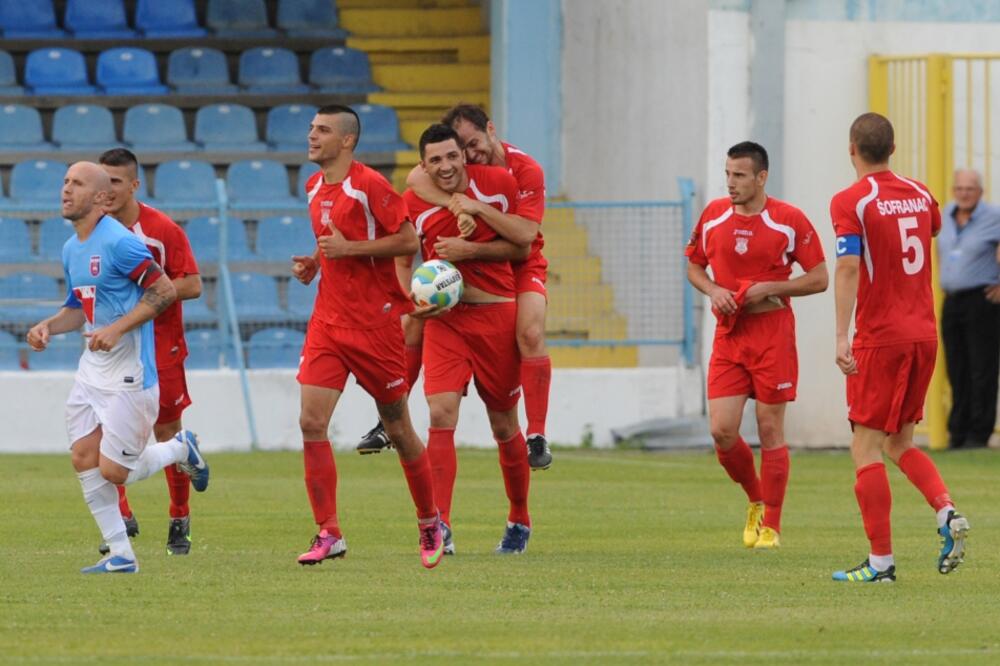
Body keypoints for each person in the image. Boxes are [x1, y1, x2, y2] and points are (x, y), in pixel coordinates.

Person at [26, 162, 209, 574]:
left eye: (76, 184)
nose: (65, 190)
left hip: (130, 374)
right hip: (92, 370)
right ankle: (121, 554)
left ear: (98, 196)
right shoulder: (71, 247)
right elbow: (79, 307)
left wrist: (118, 327)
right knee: (83, 456)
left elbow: (163, 290)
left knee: (116, 472)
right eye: (64, 182)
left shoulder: (120, 242)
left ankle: (181, 447)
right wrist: (48, 327)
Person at [357, 104, 552, 472]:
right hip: (468, 271)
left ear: (491, 130)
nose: (468, 154)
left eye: (473, 143)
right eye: (461, 147)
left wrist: (474, 209)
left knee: (529, 330)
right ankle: (389, 420)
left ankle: (537, 434)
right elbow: (416, 178)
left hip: (520, 261)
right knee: (412, 320)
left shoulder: (523, 170)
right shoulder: (450, 169)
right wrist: (456, 205)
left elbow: (525, 237)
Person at [291, 105, 444, 569]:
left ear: (347, 141)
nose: (311, 136)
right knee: (311, 423)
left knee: (398, 428)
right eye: (312, 128)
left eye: (322, 130)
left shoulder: (370, 185)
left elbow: (407, 242)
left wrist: (349, 249)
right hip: (328, 325)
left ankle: (429, 521)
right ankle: (328, 532)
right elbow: (330, 242)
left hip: (376, 326)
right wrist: (315, 264)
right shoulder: (314, 186)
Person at [830, 112, 970, 582]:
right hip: (923, 334)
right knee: (900, 442)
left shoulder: (851, 200)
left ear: (852, 149)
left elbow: (848, 267)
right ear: (892, 148)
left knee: (865, 447)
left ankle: (881, 564)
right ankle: (946, 511)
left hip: (881, 337)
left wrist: (840, 334)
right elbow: (929, 228)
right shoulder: (919, 192)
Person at [685, 141, 828, 550]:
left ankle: (772, 527)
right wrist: (713, 290)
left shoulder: (788, 220)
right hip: (730, 335)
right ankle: (756, 499)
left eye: (740, 175)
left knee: (769, 429)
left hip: (772, 333)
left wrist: (772, 287)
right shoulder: (713, 216)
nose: (730, 183)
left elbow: (819, 277)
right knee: (722, 431)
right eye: (728, 174)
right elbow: (694, 265)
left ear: (762, 177)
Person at [403, 123, 538, 555]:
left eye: (452, 156)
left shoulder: (498, 184)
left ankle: (519, 517)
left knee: (504, 424)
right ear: (423, 165)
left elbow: (521, 248)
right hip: (446, 321)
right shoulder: (415, 200)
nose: (445, 166)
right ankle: (439, 523)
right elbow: (406, 259)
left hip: (497, 315)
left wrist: (471, 250)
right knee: (441, 413)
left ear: (465, 155)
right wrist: (411, 295)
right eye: (435, 160)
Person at [96, 148, 204, 556]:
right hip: (113, 348)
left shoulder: (161, 229)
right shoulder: (95, 231)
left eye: (116, 182)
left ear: (134, 185)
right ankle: (121, 514)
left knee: (166, 432)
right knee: (103, 431)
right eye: (102, 181)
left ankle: (179, 516)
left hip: (160, 346)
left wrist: (150, 296)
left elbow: (193, 284)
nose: (107, 190)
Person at [938, 169, 1000, 449]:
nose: (964, 193)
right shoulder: (946, 216)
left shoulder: (993, 217)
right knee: (956, 367)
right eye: (960, 188)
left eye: (970, 189)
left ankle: (978, 433)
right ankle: (958, 432)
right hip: (952, 300)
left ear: (980, 192)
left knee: (981, 368)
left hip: (981, 300)